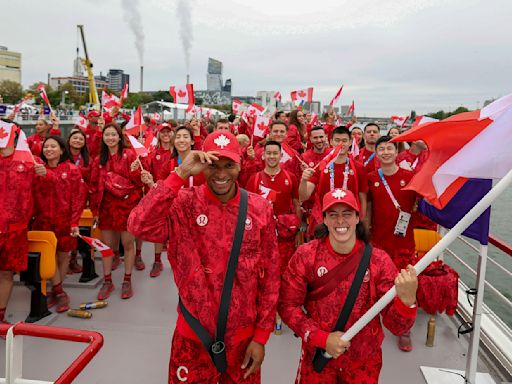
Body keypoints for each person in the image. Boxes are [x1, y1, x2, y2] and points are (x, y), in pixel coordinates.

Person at [128, 130, 280, 383]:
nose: (221, 174)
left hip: (242, 341)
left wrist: (261, 337)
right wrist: (179, 175)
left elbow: (271, 276)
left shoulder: (259, 208)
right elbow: (138, 225)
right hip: (193, 336)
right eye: (213, 165)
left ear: (240, 165)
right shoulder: (183, 203)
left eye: (229, 165)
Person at [278, 188, 418, 383]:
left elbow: (396, 326)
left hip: (363, 363)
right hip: (318, 359)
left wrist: (407, 301)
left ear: (357, 217)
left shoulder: (379, 261)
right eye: (333, 215)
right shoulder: (306, 256)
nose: (340, 221)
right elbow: (287, 305)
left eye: (347, 214)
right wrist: (321, 338)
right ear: (324, 219)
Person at [366, 136, 418, 351]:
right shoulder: (370, 178)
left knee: (404, 284)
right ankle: (371, 322)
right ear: (376, 153)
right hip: (378, 242)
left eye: (390, 148)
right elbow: (368, 209)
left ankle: (404, 330)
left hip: (404, 243)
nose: (386, 152)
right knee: (374, 285)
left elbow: (421, 204)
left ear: (397, 152)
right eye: (381, 149)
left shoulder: (411, 177)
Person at [0, 122, 47, 324]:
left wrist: (44, 175)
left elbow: (46, 188)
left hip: (15, 230)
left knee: (6, 273)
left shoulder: (30, 162)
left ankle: (1, 317)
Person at [33, 136, 86, 312]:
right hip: (43, 222)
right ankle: (59, 290)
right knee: (50, 256)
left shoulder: (71, 169)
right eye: (46, 146)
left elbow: (78, 198)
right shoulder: (38, 170)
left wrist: (74, 221)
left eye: (53, 146)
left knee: (63, 256)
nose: (48, 149)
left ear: (62, 150)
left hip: (65, 222)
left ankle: (56, 289)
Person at [90, 123, 142, 300]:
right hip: (106, 208)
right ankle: (107, 281)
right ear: (103, 138)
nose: (110, 138)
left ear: (120, 137)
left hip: (126, 207)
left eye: (113, 134)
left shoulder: (129, 156)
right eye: (107, 135)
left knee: (128, 244)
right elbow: (94, 186)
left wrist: (136, 172)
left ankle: (127, 280)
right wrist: (95, 210)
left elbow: (138, 184)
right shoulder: (98, 160)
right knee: (107, 247)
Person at [300, 127, 368, 237]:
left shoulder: (358, 168)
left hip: (348, 222)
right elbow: (303, 196)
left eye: (345, 141)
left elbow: (362, 199)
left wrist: (361, 222)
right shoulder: (321, 166)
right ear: (331, 142)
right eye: (337, 140)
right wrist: (304, 180)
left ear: (350, 142)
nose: (341, 144)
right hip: (324, 220)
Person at [66, 129, 92, 274]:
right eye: (74, 138)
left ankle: (73, 258)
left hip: (80, 199)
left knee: (76, 228)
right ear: (69, 140)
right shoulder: (62, 157)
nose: (77, 141)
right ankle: (64, 257)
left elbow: (91, 181)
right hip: (62, 198)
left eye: (80, 139)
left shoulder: (87, 159)